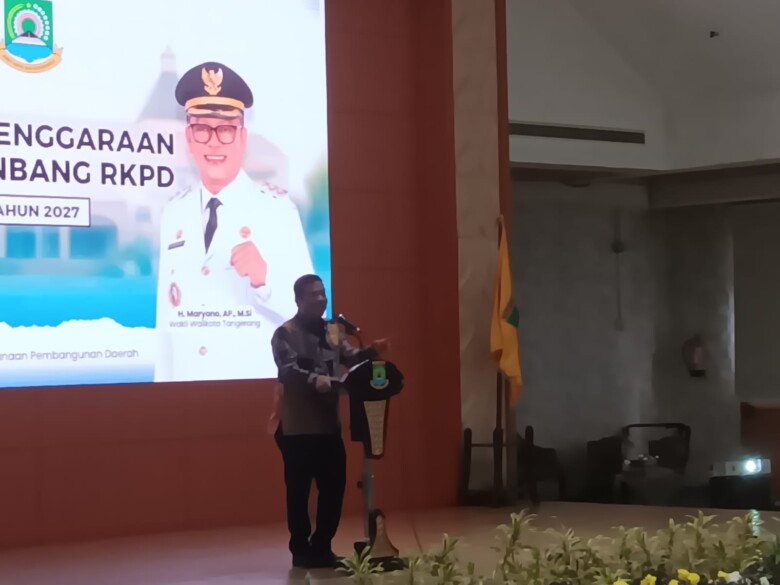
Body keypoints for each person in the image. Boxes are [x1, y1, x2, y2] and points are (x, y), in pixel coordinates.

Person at [154, 61, 313, 382]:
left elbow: (312, 315)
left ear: (242, 137)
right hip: (184, 392)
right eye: (202, 129)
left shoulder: (277, 210)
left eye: (226, 129)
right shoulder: (174, 212)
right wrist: (161, 392)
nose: (213, 142)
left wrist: (265, 278)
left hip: (251, 391)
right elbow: (165, 325)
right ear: (189, 138)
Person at [271, 274, 389, 569]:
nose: (321, 299)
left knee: (334, 488)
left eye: (323, 293)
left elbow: (350, 357)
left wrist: (372, 351)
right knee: (298, 493)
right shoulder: (285, 333)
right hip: (298, 429)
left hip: (328, 427)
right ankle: (301, 550)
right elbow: (288, 371)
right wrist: (316, 380)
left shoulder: (333, 330)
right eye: (314, 294)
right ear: (299, 300)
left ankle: (322, 546)